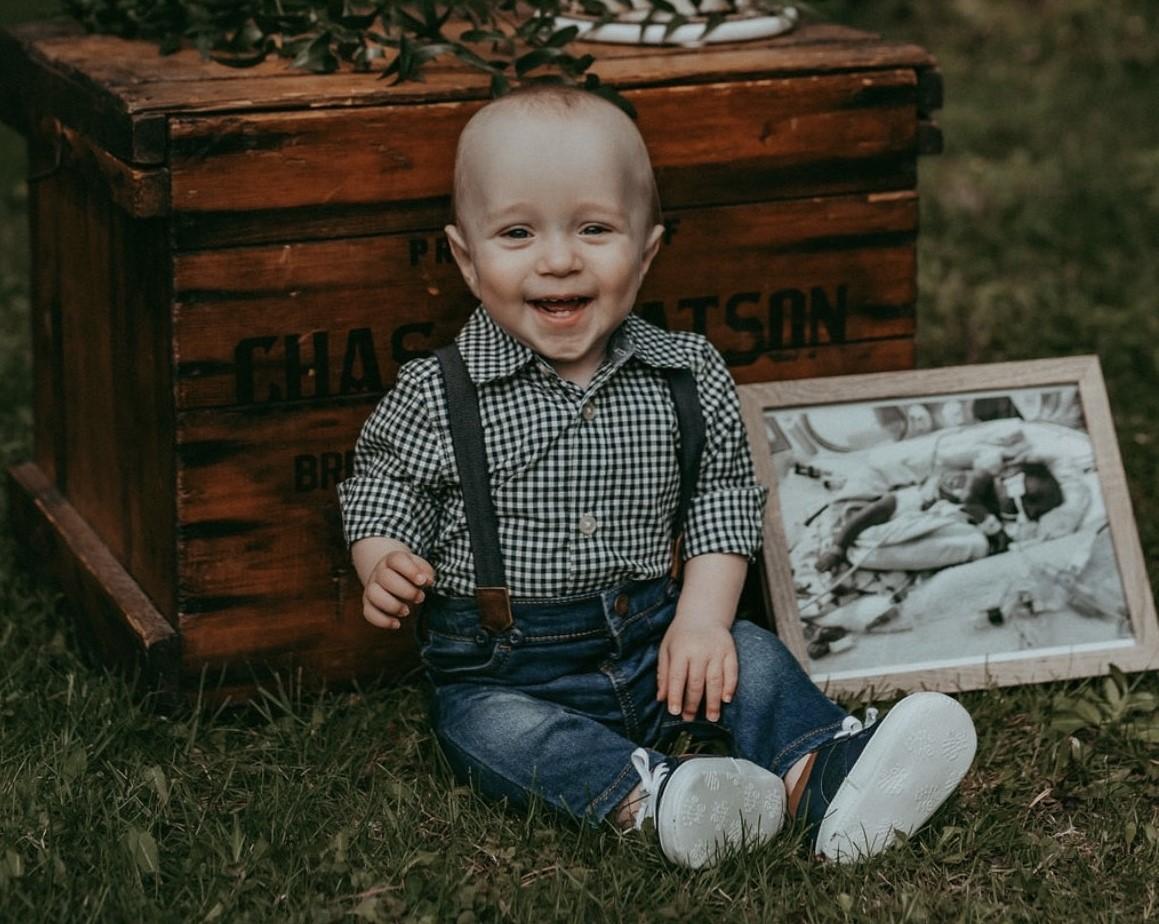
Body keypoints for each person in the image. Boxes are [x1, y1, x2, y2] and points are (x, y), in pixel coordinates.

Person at [337, 85, 976, 869]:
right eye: (516, 232)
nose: (559, 257)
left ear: (644, 252)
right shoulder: (439, 390)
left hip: (658, 641)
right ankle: (654, 796)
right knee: (487, 732)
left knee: (752, 653)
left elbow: (718, 501)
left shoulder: (686, 372)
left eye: (594, 228)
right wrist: (383, 557)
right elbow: (382, 483)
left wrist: (702, 621)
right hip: (508, 668)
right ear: (467, 258)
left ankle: (823, 766)